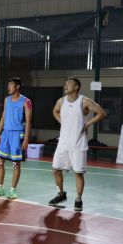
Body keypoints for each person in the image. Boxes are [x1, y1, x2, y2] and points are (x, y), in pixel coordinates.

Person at [48, 77, 107, 212]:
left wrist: (88, 123)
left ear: (76, 87)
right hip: (63, 143)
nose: (66, 85)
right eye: (65, 83)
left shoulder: (84, 101)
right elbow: (55, 111)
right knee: (56, 170)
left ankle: (78, 199)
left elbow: (102, 113)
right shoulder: (61, 101)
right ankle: (61, 194)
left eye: (69, 84)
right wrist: (62, 121)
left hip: (78, 143)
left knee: (78, 173)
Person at [0, 77, 32, 200]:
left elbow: (28, 122)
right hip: (5, 134)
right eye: (8, 85)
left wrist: (26, 139)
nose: (8, 87)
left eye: (11, 85)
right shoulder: (7, 100)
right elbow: (3, 117)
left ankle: (13, 190)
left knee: (16, 164)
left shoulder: (26, 101)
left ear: (17, 86)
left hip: (17, 135)